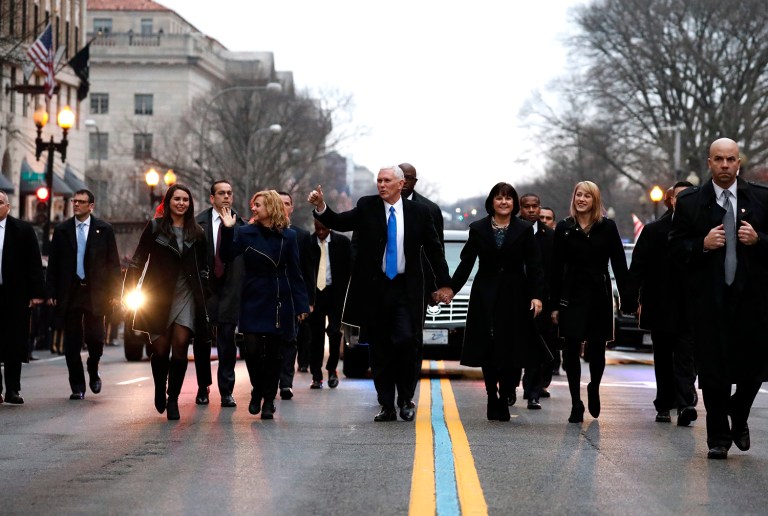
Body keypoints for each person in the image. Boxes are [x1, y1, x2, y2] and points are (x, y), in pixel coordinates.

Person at [307, 166, 452, 422]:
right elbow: (339, 221)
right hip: (376, 289)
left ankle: (406, 397)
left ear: (401, 184)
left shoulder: (420, 212)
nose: (381, 185)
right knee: (380, 347)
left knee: (407, 341)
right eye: (378, 180)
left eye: (387, 181)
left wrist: (445, 285)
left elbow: (434, 250)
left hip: (407, 289)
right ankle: (386, 404)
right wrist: (321, 207)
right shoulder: (367, 206)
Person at [669, 137, 768, 460]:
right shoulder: (690, 203)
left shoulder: (762, 199)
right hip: (707, 301)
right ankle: (718, 438)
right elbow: (674, 249)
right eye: (719, 159)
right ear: (709, 163)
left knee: (754, 369)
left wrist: (759, 240)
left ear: (739, 162)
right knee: (713, 373)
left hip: (752, 301)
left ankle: (738, 414)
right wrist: (702, 244)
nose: (725, 165)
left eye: (731, 159)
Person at [450, 183, 545, 421]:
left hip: (516, 294)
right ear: (491, 202)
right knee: (489, 347)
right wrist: (450, 289)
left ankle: (506, 392)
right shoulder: (478, 228)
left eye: (509, 199)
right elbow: (466, 263)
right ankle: (493, 395)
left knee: (512, 347)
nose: (504, 202)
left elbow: (534, 266)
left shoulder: (524, 229)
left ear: (514, 204)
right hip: (486, 293)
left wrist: (536, 295)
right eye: (499, 198)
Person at [219, 190, 310, 419]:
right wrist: (228, 229)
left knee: (275, 354)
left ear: (270, 207)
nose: (254, 209)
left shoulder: (288, 236)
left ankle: (269, 399)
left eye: (258, 205)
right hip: (252, 296)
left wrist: (302, 305)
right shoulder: (245, 232)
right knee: (252, 349)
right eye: (253, 205)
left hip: (279, 297)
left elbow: (296, 273)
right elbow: (227, 255)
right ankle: (257, 388)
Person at [550, 181, 634, 423]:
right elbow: (555, 268)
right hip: (572, 294)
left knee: (597, 349)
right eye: (578, 195)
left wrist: (629, 298)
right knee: (571, 349)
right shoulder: (564, 228)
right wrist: (554, 304)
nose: (582, 199)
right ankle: (576, 402)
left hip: (599, 293)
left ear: (595, 200)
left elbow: (619, 263)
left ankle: (594, 387)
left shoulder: (607, 227)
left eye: (587, 196)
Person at [126, 184, 209, 421]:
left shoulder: (198, 233)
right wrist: (129, 291)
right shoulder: (154, 228)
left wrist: (204, 293)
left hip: (186, 295)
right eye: (177, 199)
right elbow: (137, 261)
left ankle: (173, 399)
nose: (181, 203)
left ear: (190, 204)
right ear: (169, 201)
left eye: (185, 199)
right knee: (160, 350)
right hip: (158, 295)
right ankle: (159, 389)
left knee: (181, 348)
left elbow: (203, 268)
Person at [628, 181, 698, 425]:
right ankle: (664, 403)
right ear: (669, 200)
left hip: (691, 305)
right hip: (660, 304)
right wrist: (631, 299)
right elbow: (637, 268)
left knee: (686, 357)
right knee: (663, 358)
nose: (683, 201)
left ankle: (686, 403)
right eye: (679, 197)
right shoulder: (654, 230)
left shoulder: (702, 230)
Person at [47, 189, 121, 400]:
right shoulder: (62, 230)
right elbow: (54, 263)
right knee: (71, 343)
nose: (76, 205)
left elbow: (113, 264)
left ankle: (93, 366)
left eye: (81, 202)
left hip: (95, 291)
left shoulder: (104, 230)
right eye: (74, 201)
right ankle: (77, 386)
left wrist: (115, 292)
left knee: (96, 338)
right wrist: (51, 291)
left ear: (91, 206)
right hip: (70, 292)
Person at [195, 180, 245, 408]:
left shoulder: (240, 224)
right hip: (205, 290)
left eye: (229, 193)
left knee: (227, 341)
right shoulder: (198, 224)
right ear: (211, 198)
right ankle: (203, 387)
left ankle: (226, 391)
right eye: (221, 193)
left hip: (229, 290)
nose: (226, 197)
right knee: (203, 341)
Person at [0, 192, 45, 404]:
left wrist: (36, 293)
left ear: (8, 206)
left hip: (15, 295)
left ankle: (12, 390)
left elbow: (34, 263)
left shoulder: (23, 230)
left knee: (14, 342)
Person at [511, 193, 556, 407]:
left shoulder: (550, 236)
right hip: (514, 297)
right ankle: (510, 387)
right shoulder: (512, 231)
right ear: (520, 208)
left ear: (539, 208)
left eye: (535, 206)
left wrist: (555, 305)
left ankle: (533, 392)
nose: (531, 210)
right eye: (526, 206)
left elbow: (557, 271)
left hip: (542, 300)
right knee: (512, 345)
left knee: (538, 347)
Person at [277, 191, 315, 397]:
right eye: (279, 203)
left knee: (290, 339)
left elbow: (307, 270)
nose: (283, 207)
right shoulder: (261, 231)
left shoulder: (301, 236)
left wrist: (308, 302)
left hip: (292, 295)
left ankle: (285, 382)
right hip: (269, 294)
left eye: (287, 203)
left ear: (291, 208)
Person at [308, 219, 352, 389]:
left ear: (330, 227)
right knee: (316, 336)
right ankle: (316, 375)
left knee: (335, 333)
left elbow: (351, 268)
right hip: (316, 296)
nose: (320, 232)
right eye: (317, 229)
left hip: (336, 295)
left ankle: (332, 369)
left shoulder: (342, 243)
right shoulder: (309, 243)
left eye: (323, 229)